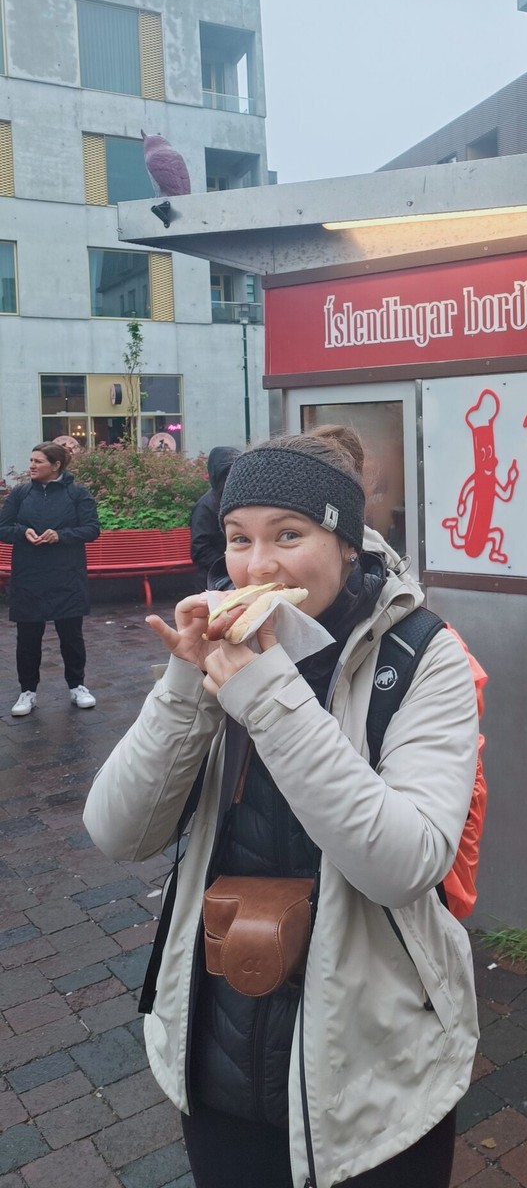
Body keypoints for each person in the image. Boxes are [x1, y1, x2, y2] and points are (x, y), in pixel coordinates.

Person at [83, 425, 480, 1188]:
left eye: (287, 535)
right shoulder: (224, 651)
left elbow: (405, 863)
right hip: (222, 1040)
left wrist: (264, 693)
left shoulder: (421, 657)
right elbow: (117, 831)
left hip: (377, 1063)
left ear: (344, 543)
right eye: (238, 539)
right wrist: (184, 690)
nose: (257, 564)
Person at [0, 442, 101, 717]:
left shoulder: (77, 493)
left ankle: (77, 686)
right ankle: (27, 691)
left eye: (38, 461)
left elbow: (92, 529)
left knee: (71, 635)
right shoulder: (20, 494)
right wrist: (23, 533)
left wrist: (61, 535)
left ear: (56, 465)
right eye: (31, 460)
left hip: (67, 575)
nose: (31, 466)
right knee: (28, 637)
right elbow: (3, 527)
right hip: (29, 575)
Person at [189, 445, 239, 590]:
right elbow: (200, 549)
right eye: (227, 474)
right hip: (213, 580)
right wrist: (228, 562)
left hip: (234, 576)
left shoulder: (236, 501)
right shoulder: (205, 506)